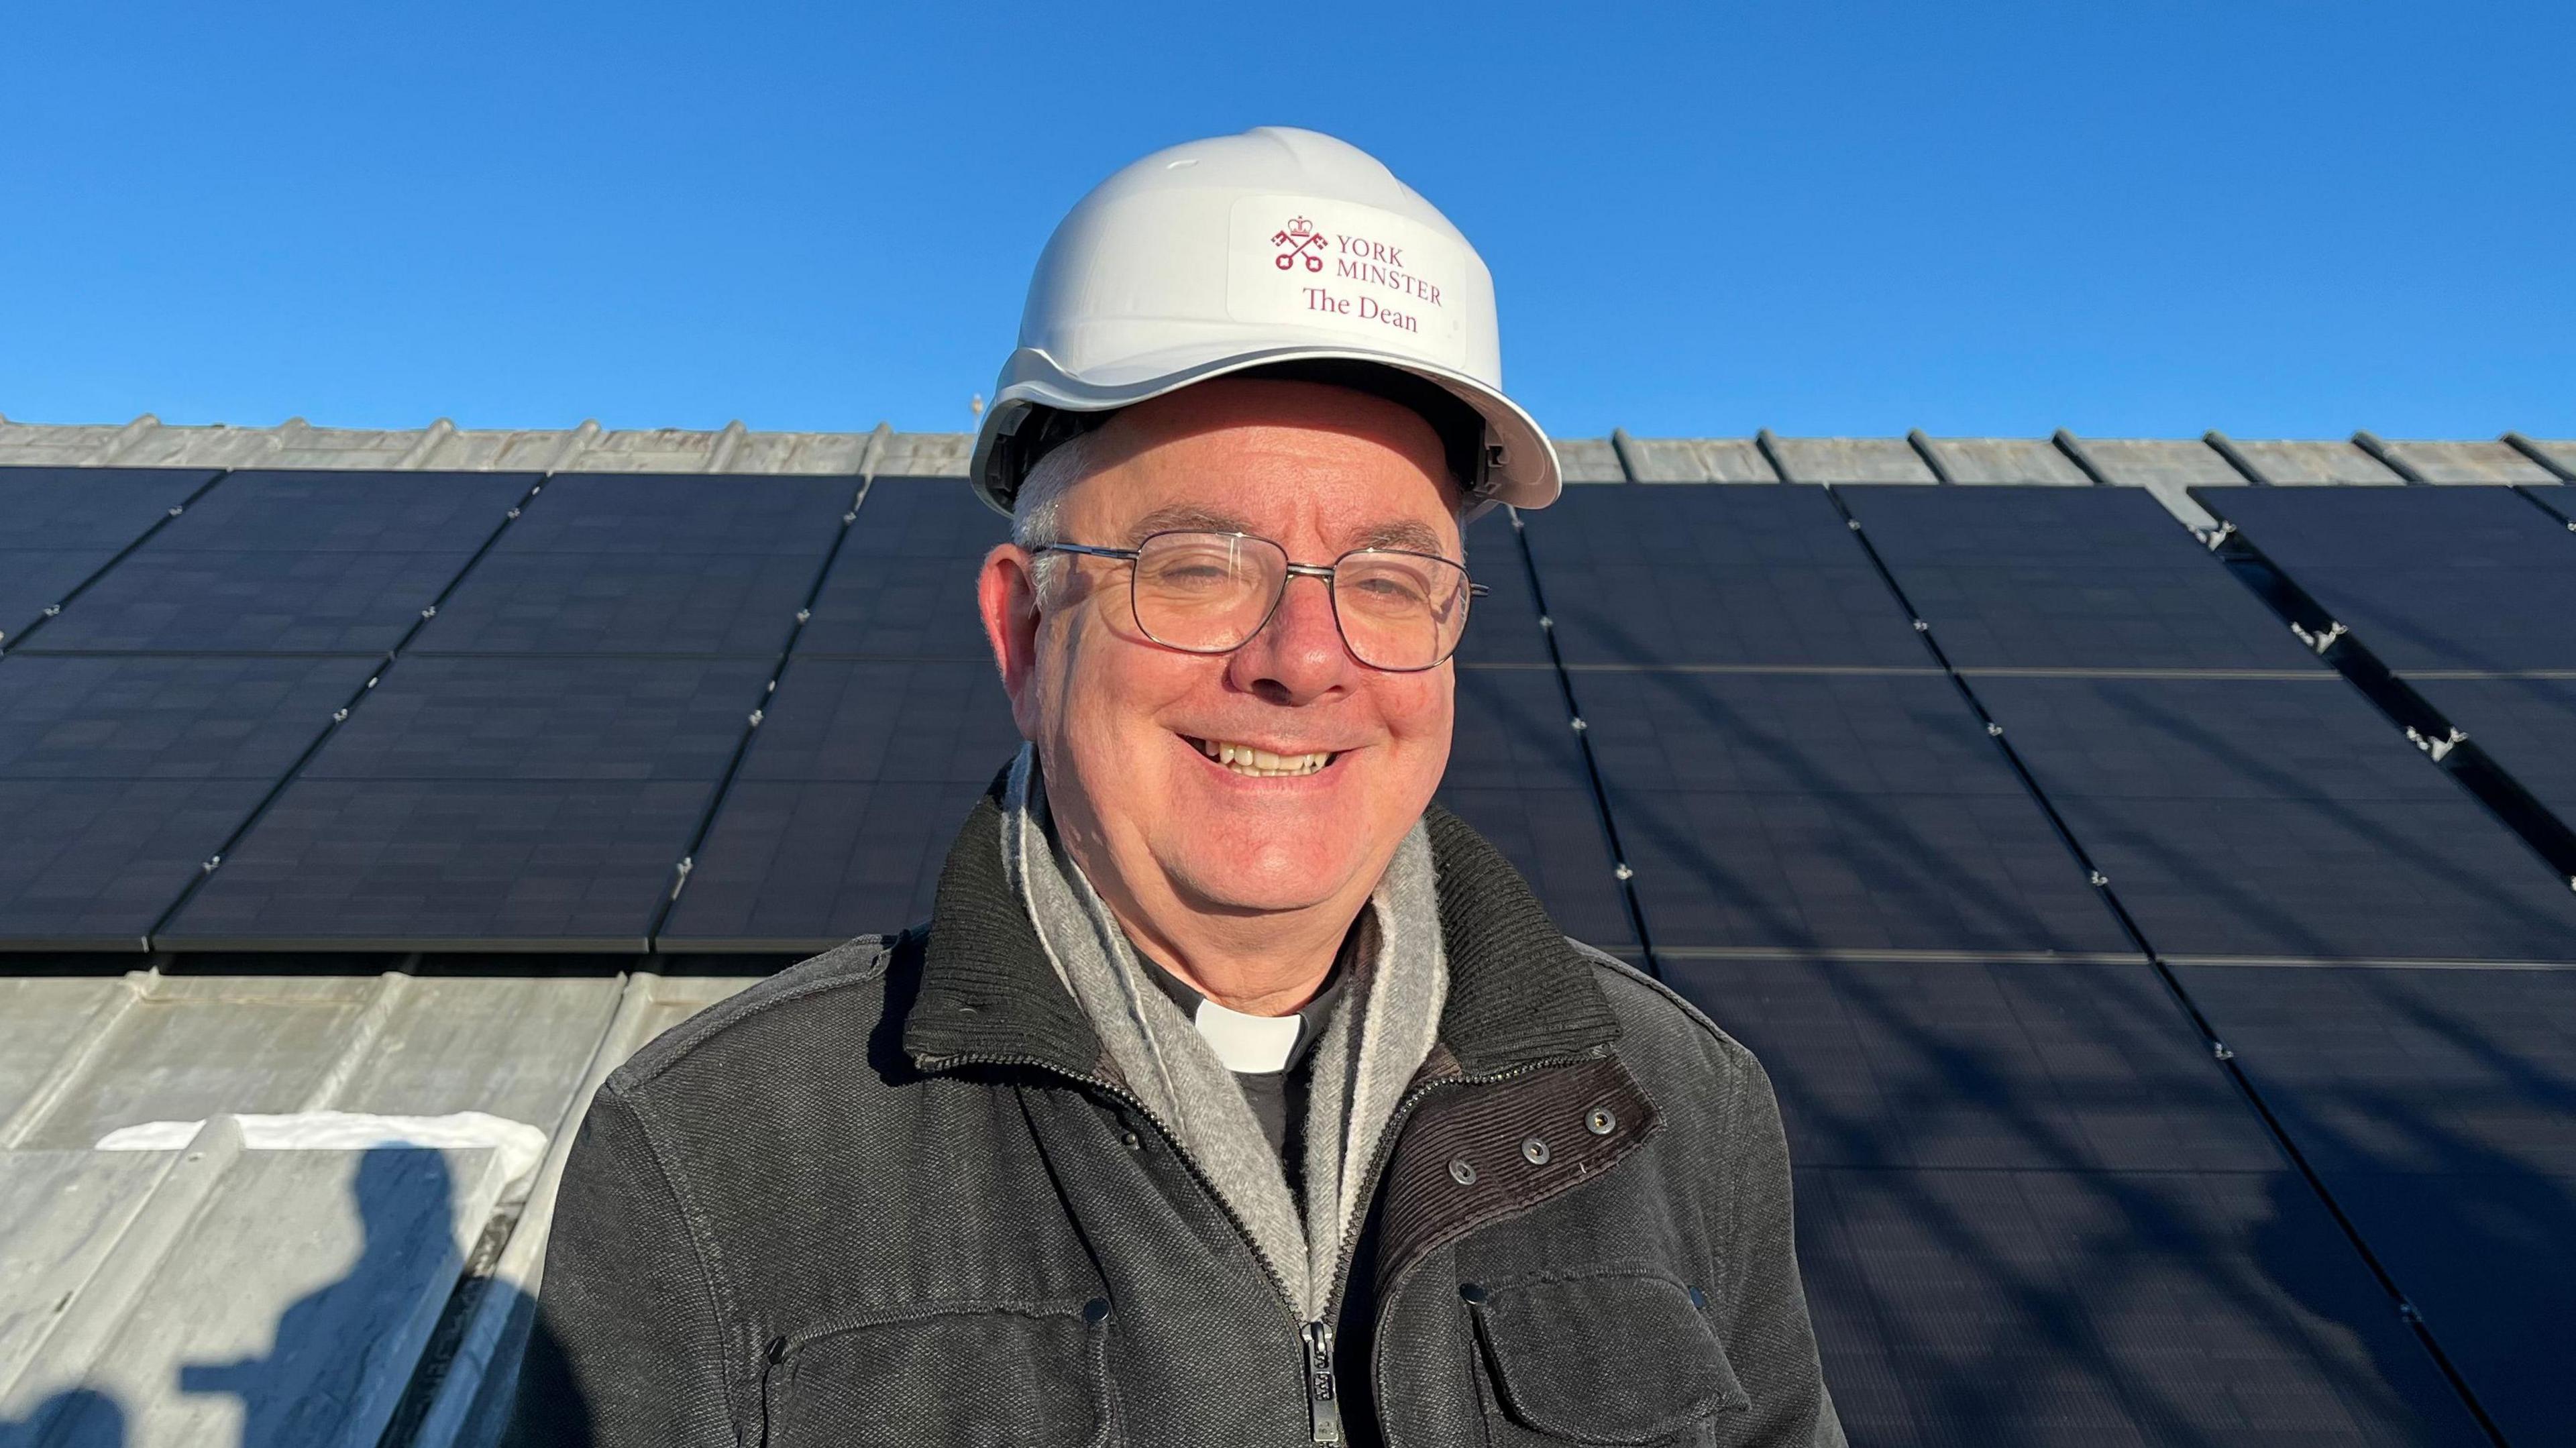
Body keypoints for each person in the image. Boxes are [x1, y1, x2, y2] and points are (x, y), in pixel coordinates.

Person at [510, 126, 1843, 1447]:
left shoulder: (1682, 1106)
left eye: (1387, 580)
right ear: (1028, 636)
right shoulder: (719, 1154)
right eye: (1199, 564)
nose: (1304, 661)